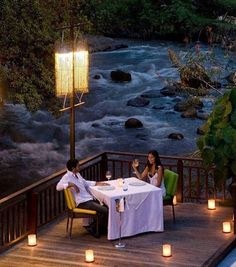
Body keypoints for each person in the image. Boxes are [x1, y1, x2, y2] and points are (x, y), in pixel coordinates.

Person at [56, 159, 108, 237]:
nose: (80, 167)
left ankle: (99, 229)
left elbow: (85, 182)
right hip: (82, 203)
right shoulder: (67, 177)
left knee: (106, 207)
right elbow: (58, 187)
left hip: (88, 199)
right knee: (106, 210)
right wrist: (71, 184)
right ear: (73, 168)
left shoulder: (78, 174)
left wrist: (97, 183)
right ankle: (92, 228)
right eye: (78, 166)